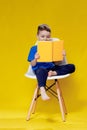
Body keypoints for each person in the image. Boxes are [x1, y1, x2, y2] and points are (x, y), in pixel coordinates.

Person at [27, 24, 75, 101]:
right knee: (41, 70)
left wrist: (62, 56)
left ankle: (53, 73)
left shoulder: (51, 48)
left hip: (51, 68)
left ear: (50, 37)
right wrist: (35, 58)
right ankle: (42, 90)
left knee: (72, 66)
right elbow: (32, 64)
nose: (45, 39)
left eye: (48, 37)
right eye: (42, 36)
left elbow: (56, 63)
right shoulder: (34, 48)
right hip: (40, 69)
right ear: (37, 36)